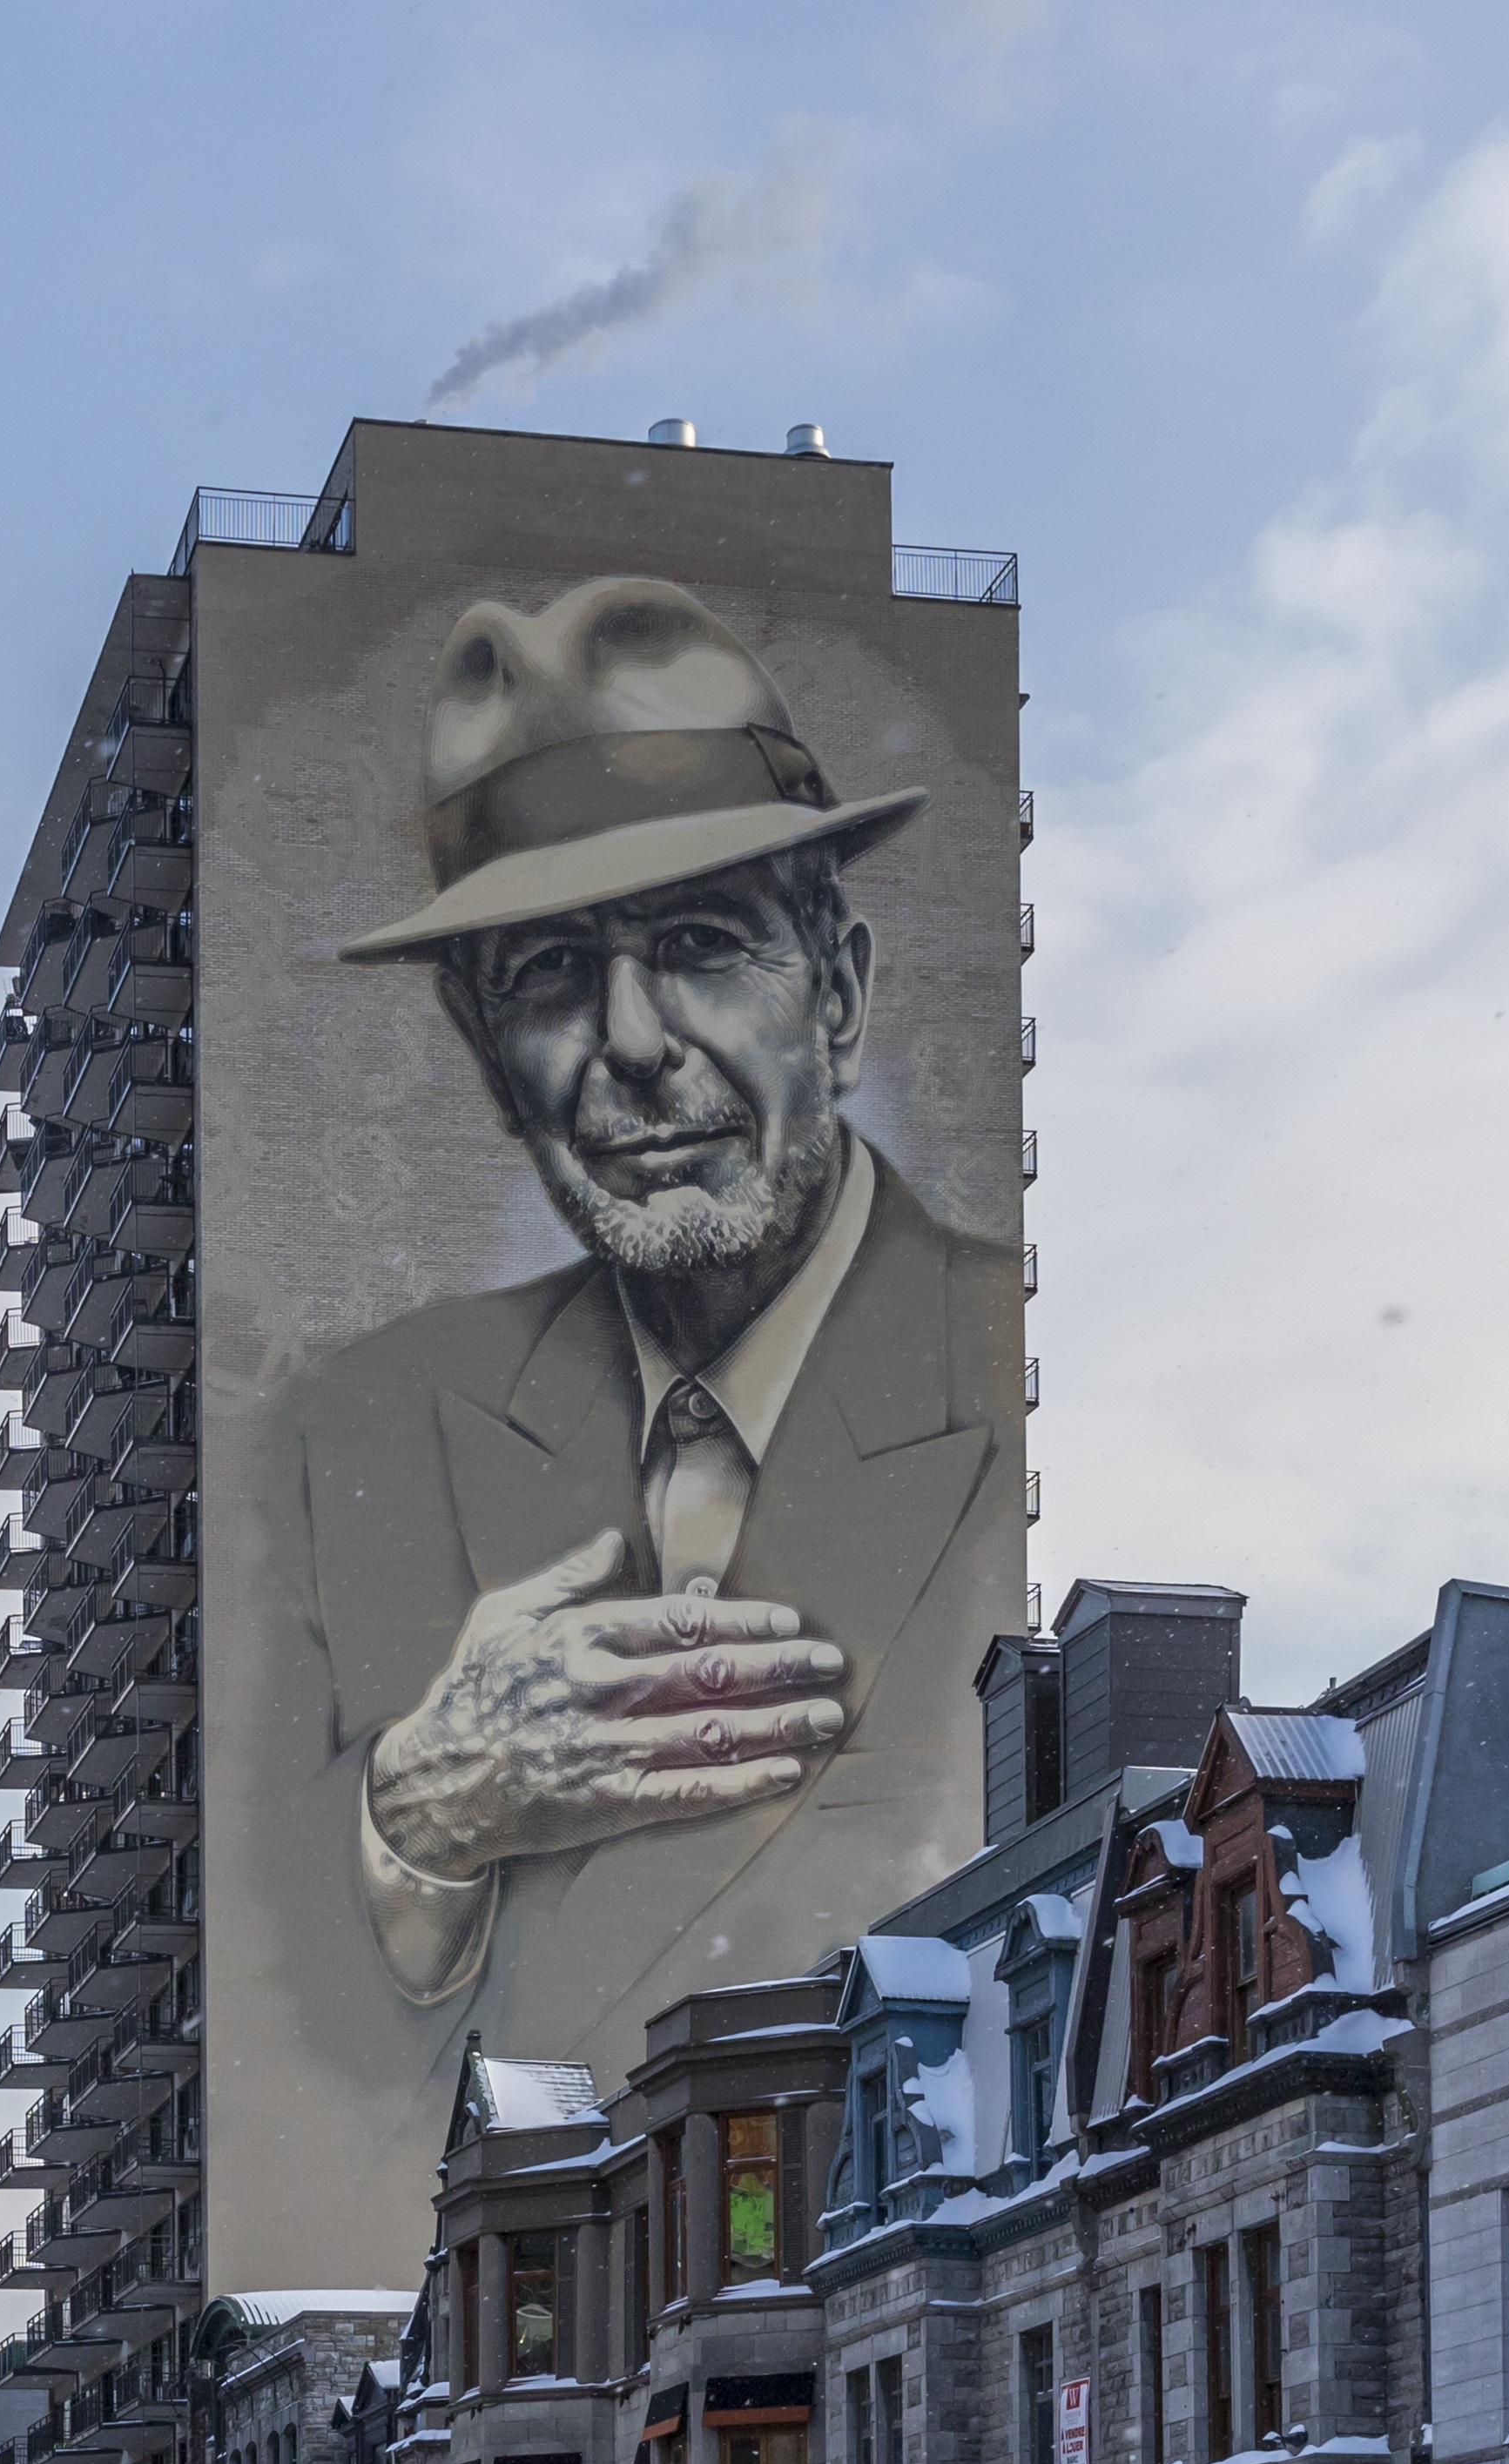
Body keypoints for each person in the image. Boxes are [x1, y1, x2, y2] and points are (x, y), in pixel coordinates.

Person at [244, 573, 1018, 2163]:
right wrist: (418, 1818)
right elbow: (293, 2063)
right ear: (484, 1055)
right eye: (545, 976)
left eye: (697, 945)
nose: (634, 1040)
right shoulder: (354, 1434)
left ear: (843, 999)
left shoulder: (1001, 1371)